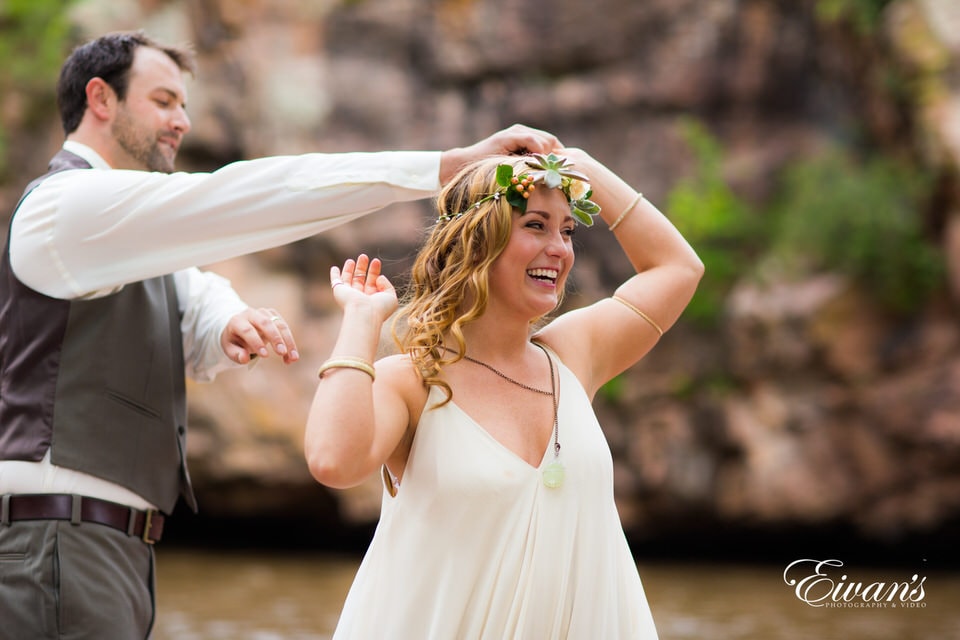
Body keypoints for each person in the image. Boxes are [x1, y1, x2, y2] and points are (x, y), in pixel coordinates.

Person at [0, 28, 562, 639]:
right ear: (101, 99)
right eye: (164, 101)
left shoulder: (127, 242)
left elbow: (195, 296)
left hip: (104, 546)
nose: (182, 121)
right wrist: (443, 167)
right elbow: (241, 197)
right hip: (56, 538)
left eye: (184, 105)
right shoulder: (62, 210)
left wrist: (229, 323)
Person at [304, 147, 704, 638]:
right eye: (536, 225)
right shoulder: (411, 381)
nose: (560, 248)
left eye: (568, 229)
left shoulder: (575, 355)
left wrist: (579, 164)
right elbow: (332, 462)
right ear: (478, 241)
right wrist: (362, 321)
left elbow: (679, 269)